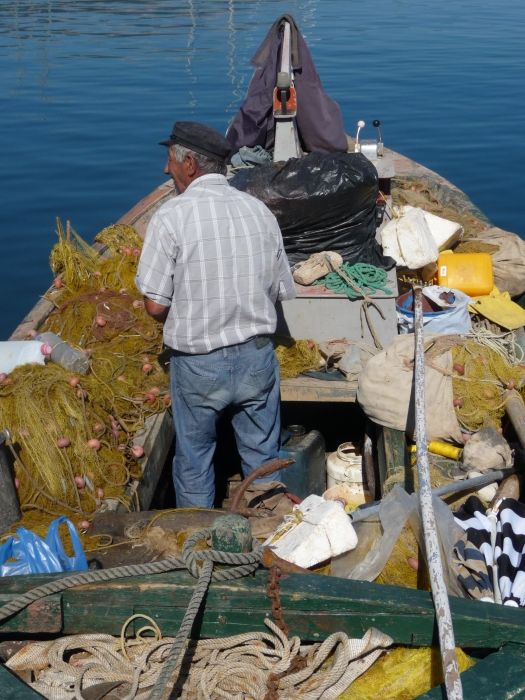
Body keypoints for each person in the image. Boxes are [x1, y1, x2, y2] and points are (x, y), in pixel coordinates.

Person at [136, 121, 296, 508]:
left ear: (189, 163)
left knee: (194, 461)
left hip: (199, 366)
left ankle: (200, 544)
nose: (165, 170)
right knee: (263, 460)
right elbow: (281, 292)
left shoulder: (171, 217)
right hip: (257, 357)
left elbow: (156, 305)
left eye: (170, 160)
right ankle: (269, 525)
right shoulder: (259, 211)